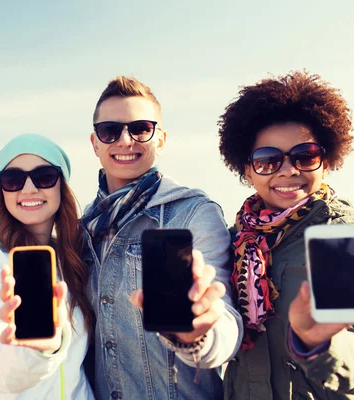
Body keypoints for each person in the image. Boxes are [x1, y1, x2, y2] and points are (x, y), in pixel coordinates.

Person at [218, 70, 354, 399]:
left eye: (305, 155)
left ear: (326, 163)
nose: (288, 170)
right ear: (247, 171)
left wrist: (317, 342)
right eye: (267, 160)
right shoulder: (231, 243)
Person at [81, 76, 243, 400]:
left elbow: (224, 319)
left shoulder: (195, 212)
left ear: (161, 138)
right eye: (110, 131)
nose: (125, 140)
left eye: (140, 128)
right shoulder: (83, 226)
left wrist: (196, 334)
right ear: (95, 143)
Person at [0, 133, 95, 399]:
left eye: (44, 177)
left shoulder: (72, 260)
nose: (28, 189)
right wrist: (35, 350)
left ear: (63, 185)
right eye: (13, 180)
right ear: (1, 190)